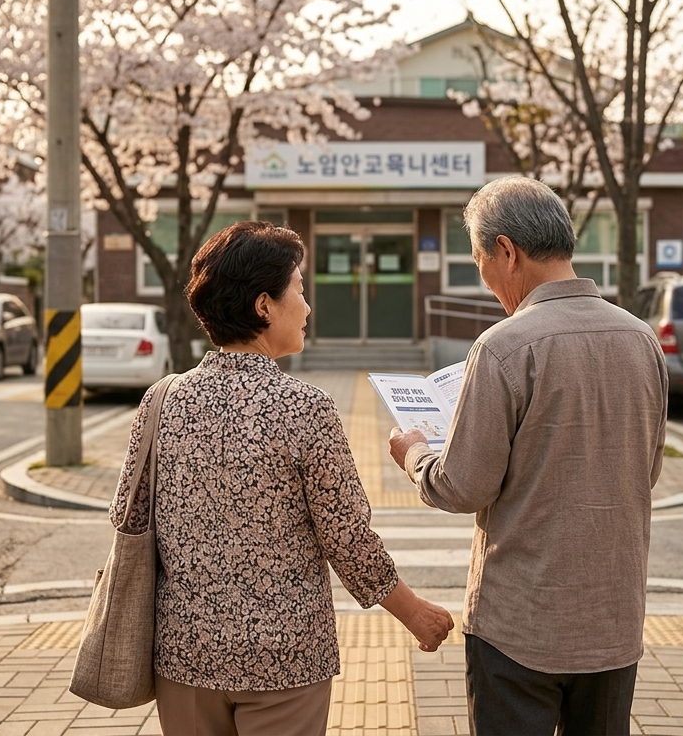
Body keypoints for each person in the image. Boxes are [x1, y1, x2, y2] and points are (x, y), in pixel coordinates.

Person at [112, 220, 454, 736]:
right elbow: (346, 538)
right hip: (284, 660)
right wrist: (415, 614)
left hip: (184, 656)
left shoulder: (161, 400)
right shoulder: (305, 408)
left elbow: (129, 519)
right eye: (299, 290)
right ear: (263, 306)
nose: (308, 306)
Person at [388, 178, 668, 735]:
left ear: (507, 251)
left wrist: (416, 454)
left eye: (480, 262)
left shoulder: (503, 347)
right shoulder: (642, 341)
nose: (486, 281)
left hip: (520, 626)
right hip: (613, 624)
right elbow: (648, 470)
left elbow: (463, 486)